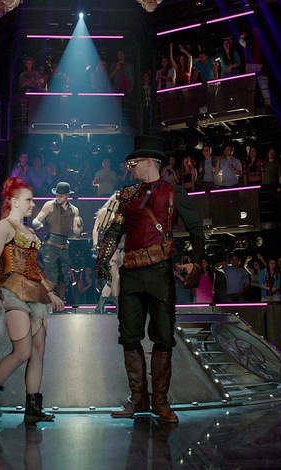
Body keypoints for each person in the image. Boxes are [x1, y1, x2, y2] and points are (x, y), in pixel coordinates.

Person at [96, 136, 205, 423]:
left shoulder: (173, 192)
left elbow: (197, 231)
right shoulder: (127, 195)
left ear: (148, 162)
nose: (129, 167)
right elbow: (115, 230)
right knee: (129, 336)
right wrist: (102, 259)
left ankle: (160, 402)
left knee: (163, 337)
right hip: (131, 273)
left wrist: (195, 261)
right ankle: (139, 399)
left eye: (133, 162)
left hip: (159, 273)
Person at [0, 177, 65, 424]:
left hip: (35, 294)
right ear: (14, 202)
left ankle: (33, 409)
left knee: (38, 351)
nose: (33, 204)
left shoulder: (29, 231)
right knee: (23, 351)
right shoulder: (3, 226)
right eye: (29, 200)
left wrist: (49, 292)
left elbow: (35, 268)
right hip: (13, 291)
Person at [31, 182, 83, 300]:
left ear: (67, 195)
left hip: (64, 246)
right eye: (57, 195)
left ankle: (59, 304)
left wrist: (79, 228)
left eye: (61, 195)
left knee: (64, 277)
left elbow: (76, 231)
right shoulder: (50, 205)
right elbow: (37, 219)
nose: (58, 197)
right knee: (51, 275)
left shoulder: (74, 210)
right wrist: (37, 223)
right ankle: (46, 302)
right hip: (51, 246)